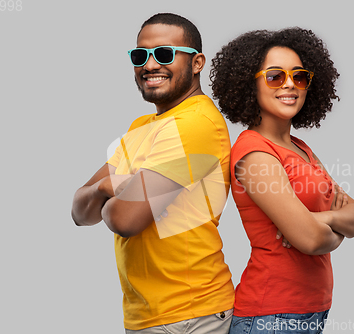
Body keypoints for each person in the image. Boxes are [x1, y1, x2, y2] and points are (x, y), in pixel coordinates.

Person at [71, 13, 234, 334]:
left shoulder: (197, 124)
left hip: (190, 314)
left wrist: (108, 192)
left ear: (197, 62)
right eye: (139, 55)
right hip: (147, 315)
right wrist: (111, 185)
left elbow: (124, 221)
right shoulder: (141, 127)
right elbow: (80, 212)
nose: (149, 65)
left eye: (164, 54)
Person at [210, 28, 354, 334]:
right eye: (274, 77)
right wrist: (330, 230)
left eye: (299, 77)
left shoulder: (301, 148)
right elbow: (311, 240)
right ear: (249, 84)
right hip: (271, 316)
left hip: (311, 311)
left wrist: (322, 218)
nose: (289, 85)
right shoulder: (254, 152)